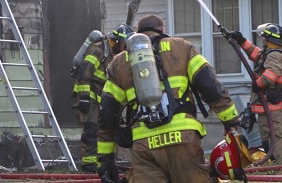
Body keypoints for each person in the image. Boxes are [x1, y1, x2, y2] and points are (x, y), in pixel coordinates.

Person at [96, 14, 240, 183]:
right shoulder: (182, 48)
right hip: (182, 140)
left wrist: (105, 159)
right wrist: (230, 122)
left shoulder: (120, 62)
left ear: (138, 32)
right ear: (162, 30)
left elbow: (107, 114)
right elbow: (210, 86)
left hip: (143, 145)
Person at [72, 24, 134, 172]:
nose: (126, 48)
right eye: (125, 44)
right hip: (89, 93)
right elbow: (84, 72)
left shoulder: (118, 56)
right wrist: (85, 98)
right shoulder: (100, 49)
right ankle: (89, 162)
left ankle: (104, 161)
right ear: (117, 41)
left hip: (103, 96)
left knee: (107, 128)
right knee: (92, 127)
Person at [227, 23, 282, 165]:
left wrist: (258, 84)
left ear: (268, 40)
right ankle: (275, 167)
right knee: (268, 140)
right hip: (267, 107)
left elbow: (270, 76)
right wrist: (242, 41)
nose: (262, 40)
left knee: (277, 140)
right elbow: (255, 54)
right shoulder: (269, 53)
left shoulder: (274, 55)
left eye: (264, 38)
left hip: (273, 109)